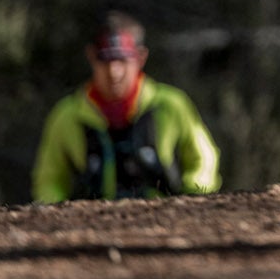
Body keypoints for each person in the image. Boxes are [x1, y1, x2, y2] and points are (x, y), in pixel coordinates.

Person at [32, 12, 221, 202]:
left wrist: (193, 198)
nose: (114, 72)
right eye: (105, 60)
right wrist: (56, 209)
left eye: (122, 60)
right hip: (90, 223)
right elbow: (49, 178)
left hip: (165, 218)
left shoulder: (171, 105)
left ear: (140, 57)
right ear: (91, 56)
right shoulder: (67, 116)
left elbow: (204, 159)